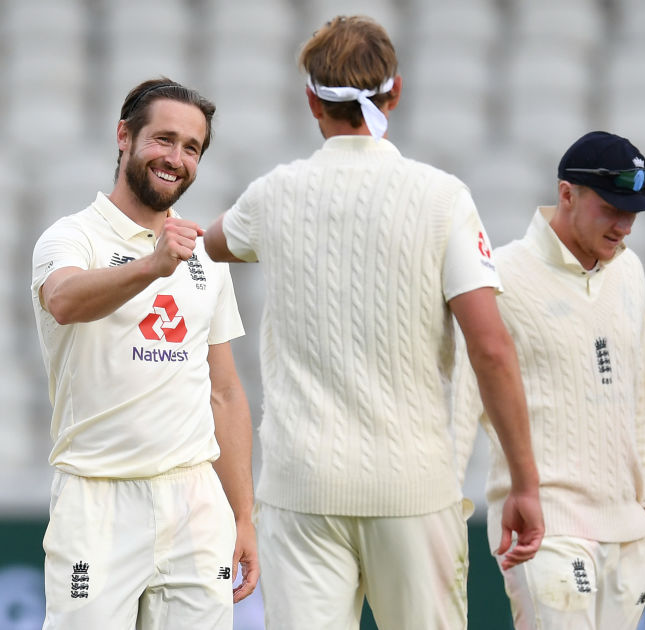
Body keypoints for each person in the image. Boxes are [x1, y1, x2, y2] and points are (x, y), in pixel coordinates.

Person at [203, 15, 544, 630]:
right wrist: (524, 481)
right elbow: (491, 348)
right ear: (397, 92)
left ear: (311, 100)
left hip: (302, 491)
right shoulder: (442, 198)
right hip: (412, 492)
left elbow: (209, 243)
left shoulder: (274, 194)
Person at [29, 77, 259, 630]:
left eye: (191, 148)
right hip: (97, 500)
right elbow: (63, 300)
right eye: (163, 139)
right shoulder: (71, 238)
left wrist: (244, 517)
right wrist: (151, 268)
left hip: (194, 500)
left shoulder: (203, 255)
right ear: (124, 136)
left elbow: (224, 393)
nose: (175, 159)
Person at [483, 130, 645, 630]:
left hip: (628, 531)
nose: (625, 226)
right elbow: (465, 398)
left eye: (633, 212)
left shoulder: (629, 272)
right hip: (547, 526)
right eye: (612, 207)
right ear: (567, 193)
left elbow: (642, 392)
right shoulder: (500, 275)